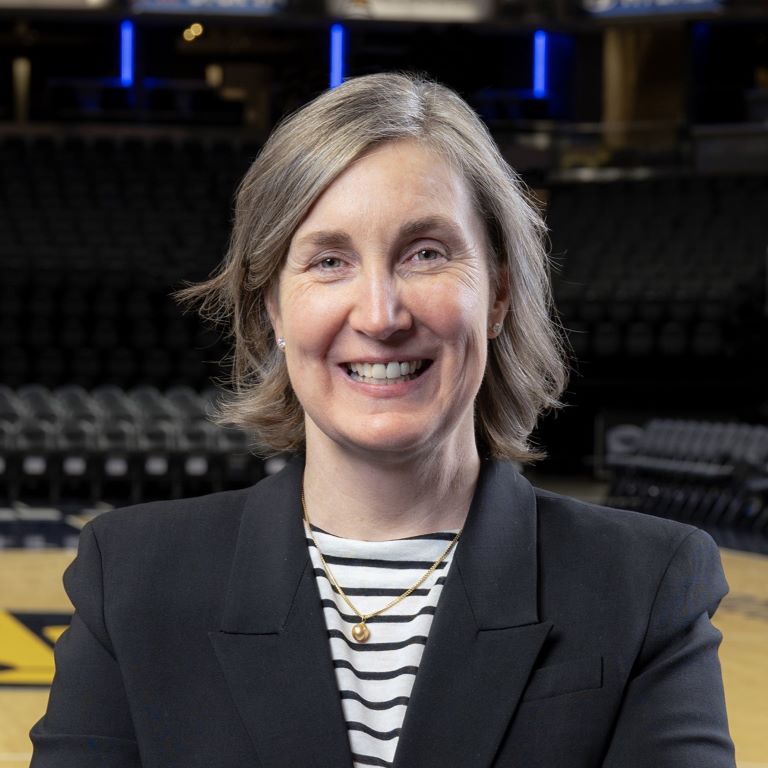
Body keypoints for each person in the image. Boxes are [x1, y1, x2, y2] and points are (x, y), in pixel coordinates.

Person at [30, 73, 735, 768]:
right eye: (329, 261)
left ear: (498, 293)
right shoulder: (130, 579)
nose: (380, 315)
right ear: (273, 308)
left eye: (425, 254)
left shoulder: (648, 584)